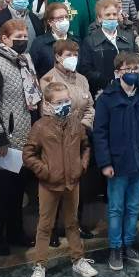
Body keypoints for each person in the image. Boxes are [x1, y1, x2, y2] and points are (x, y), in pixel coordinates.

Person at [23, 82, 98, 277]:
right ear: (48, 104)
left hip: (72, 182)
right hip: (49, 184)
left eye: (67, 101)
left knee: (73, 222)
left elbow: (86, 146)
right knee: (45, 225)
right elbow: (28, 155)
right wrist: (44, 171)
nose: (64, 105)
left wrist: (81, 165)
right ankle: (40, 265)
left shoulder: (76, 124)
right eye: (59, 102)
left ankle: (78, 259)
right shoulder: (40, 127)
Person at [0, 19, 42, 254]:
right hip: (5, 138)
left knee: (17, 190)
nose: (22, 39)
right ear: (4, 38)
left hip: (26, 136)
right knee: (1, 191)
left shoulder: (25, 60)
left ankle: (16, 232)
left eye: (25, 35)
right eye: (17, 36)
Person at [93, 52, 139, 271]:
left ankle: (129, 245)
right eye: (127, 70)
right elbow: (100, 133)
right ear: (117, 72)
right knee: (115, 208)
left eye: (135, 69)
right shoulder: (107, 99)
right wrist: (105, 163)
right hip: (117, 163)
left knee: (133, 207)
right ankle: (115, 248)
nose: (132, 74)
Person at [39, 39, 97, 239]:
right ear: (57, 57)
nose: (73, 59)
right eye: (68, 55)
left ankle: (75, 225)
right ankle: (53, 229)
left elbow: (89, 107)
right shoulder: (48, 79)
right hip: (58, 140)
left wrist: (82, 127)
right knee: (57, 185)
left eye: (75, 55)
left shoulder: (81, 79)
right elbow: (48, 112)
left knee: (78, 183)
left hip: (80, 137)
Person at [79, 0, 136, 97]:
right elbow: (86, 70)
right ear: (99, 18)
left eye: (114, 14)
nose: (112, 17)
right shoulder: (90, 41)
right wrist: (106, 79)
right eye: (107, 15)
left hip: (129, 89)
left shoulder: (129, 37)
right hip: (103, 92)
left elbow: (136, 61)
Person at [30, 2, 77, 80]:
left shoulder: (76, 41)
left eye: (66, 17)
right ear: (50, 22)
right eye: (60, 18)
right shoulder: (39, 43)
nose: (65, 21)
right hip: (48, 87)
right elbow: (33, 70)